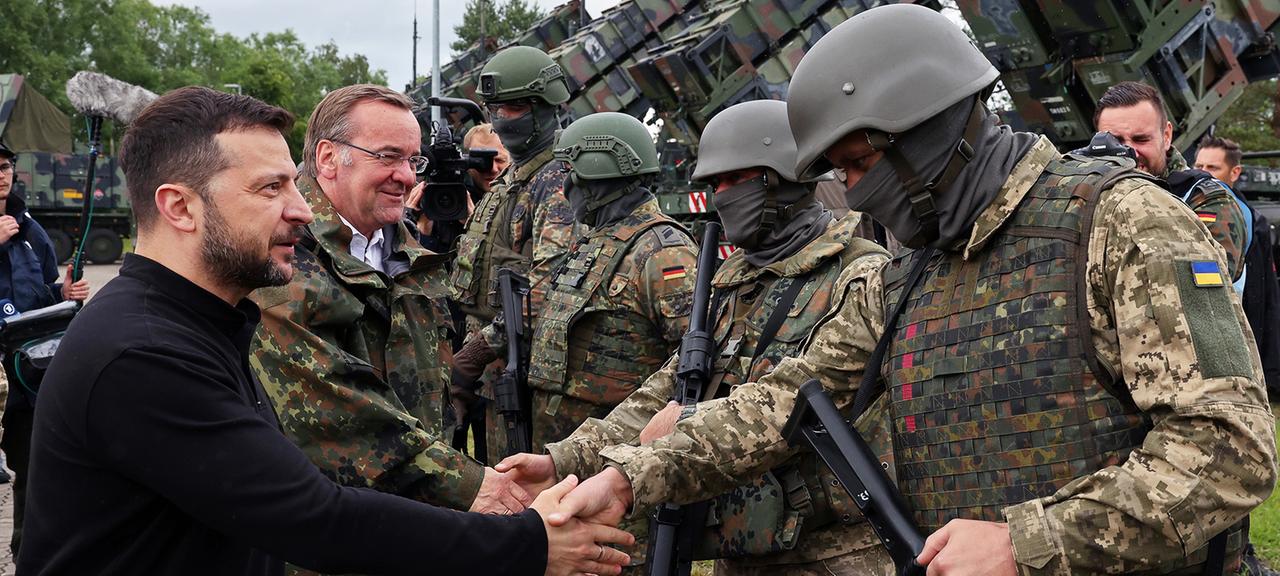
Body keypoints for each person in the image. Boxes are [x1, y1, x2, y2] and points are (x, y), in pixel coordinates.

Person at [551, 5, 1277, 575]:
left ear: (931, 132)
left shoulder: (1123, 224)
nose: (855, 189)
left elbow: (1230, 450)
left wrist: (1028, 544)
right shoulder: (912, 271)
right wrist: (627, 476)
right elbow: (781, 400)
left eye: (862, 161)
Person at [18, 85, 632, 576]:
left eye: (292, 182)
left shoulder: (204, 321)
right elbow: (315, 518)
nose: (302, 208)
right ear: (180, 207)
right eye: (270, 188)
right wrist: (524, 543)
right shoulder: (144, 353)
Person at [500, 100, 894, 575]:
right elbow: (665, 391)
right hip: (746, 542)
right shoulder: (736, 280)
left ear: (785, 177)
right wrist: (564, 459)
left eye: (736, 180)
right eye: (715, 185)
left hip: (834, 553)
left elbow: (787, 407)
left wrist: (631, 472)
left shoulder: (860, 275)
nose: (722, 196)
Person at [249, 83, 530, 539]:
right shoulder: (283, 255)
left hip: (416, 523)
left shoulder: (406, 250)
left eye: (412, 160)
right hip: (327, 538)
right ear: (327, 158)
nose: (405, 176)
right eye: (387, 156)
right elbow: (339, 418)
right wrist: (478, 489)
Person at [456, 111, 699, 572]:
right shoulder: (592, 243)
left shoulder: (662, 251)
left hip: (618, 463)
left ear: (601, 173)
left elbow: (690, 372)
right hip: (569, 453)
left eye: (572, 172)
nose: (565, 186)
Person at [450, 46, 585, 464]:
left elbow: (549, 287)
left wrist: (473, 355)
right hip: (490, 366)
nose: (500, 120)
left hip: (521, 370)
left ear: (544, 107)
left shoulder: (558, 181)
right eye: (494, 108)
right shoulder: (514, 179)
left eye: (512, 107)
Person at [0, 139, 90, 554]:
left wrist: (65, 292)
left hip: (26, 373)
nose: (1, 174)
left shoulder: (30, 229)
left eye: (5, 166)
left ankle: (25, 549)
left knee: (31, 464)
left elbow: (43, 295)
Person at [1095, 81, 1249, 286]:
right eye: (1116, 142)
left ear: (1166, 136)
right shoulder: (1087, 194)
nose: (1129, 152)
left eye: (1141, 139)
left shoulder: (1204, 199)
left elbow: (1205, 285)